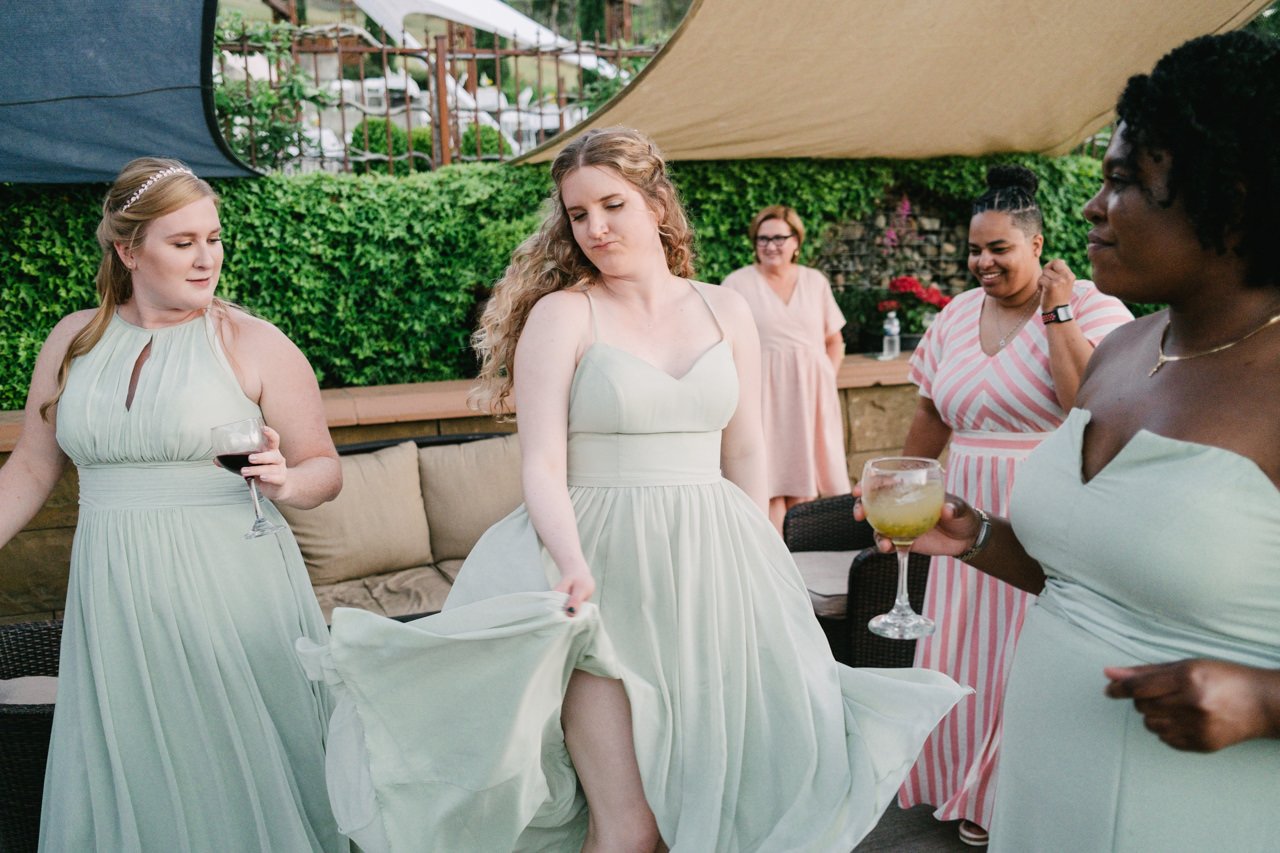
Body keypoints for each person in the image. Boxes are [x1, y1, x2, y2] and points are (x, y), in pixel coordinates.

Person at [299, 128, 967, 853]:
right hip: (594, 568)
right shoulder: (563, 315)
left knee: (718, 791)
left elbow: (746, 452)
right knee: (630, 825)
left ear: (655, 201)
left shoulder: (725, 308)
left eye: (611, 204)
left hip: (709, 566)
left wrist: (759, 566)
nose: (595, 228)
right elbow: (541, 467)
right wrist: (571, 561)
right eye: (578, 214)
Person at [863, 31, 1280, 851]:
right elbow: (1086, 575)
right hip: (1045, 792)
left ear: (1228, 200)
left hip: (1199, 811)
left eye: (1123, 182)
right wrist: (977, 534)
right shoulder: (1125, 351)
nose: (1092, 208)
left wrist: (1266, 701)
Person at [0, 157, 346, 851]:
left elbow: (324, 469)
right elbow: (32, 468)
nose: (206, 258)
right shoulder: (73, 340)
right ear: (128, 251)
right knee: (134, 768)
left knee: (229, 764)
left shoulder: (252, 341)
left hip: (227, 587)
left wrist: (284, 480)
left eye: (213, 238)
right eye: (182, 242)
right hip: (115, 597)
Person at [896, 165, 1132, 846]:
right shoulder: (955, 314)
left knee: (1026, 656)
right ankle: (953, 779)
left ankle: (1008, 797)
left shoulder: (1092, 305)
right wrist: (901, 485)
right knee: (963, 650)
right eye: (975, 249)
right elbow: (931, 410)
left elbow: (1086, 402)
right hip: (965, 508)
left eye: (999, 248)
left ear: (1036, 242)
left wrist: (1057, 312)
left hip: (1047, 510)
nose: (983, 262)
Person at [721, 206, 850, 532]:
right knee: (767, 479)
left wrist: (825, 379)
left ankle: (799, 564)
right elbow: (724, 345)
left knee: (803, 482)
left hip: (810, 395)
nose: (771, 245)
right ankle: (774, 558)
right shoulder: (737, 283)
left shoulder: (815, 282)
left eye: (780, 237)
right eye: (763, 238)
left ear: (796, 241)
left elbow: (834, 340)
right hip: (761, 394)